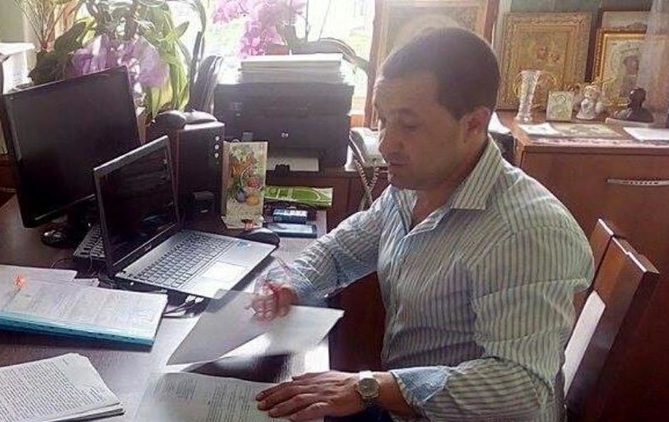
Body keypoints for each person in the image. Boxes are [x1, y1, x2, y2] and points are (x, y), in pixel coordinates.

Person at [252, 27, 593, 422]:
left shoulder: (526, 233)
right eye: (383, 120)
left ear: (473, 124)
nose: (385, 144)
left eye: (409, 126)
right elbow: (342, 249)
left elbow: (522, 390)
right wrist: (293, 283)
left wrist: (370, 387)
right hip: (404, 405)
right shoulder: (415, 186)